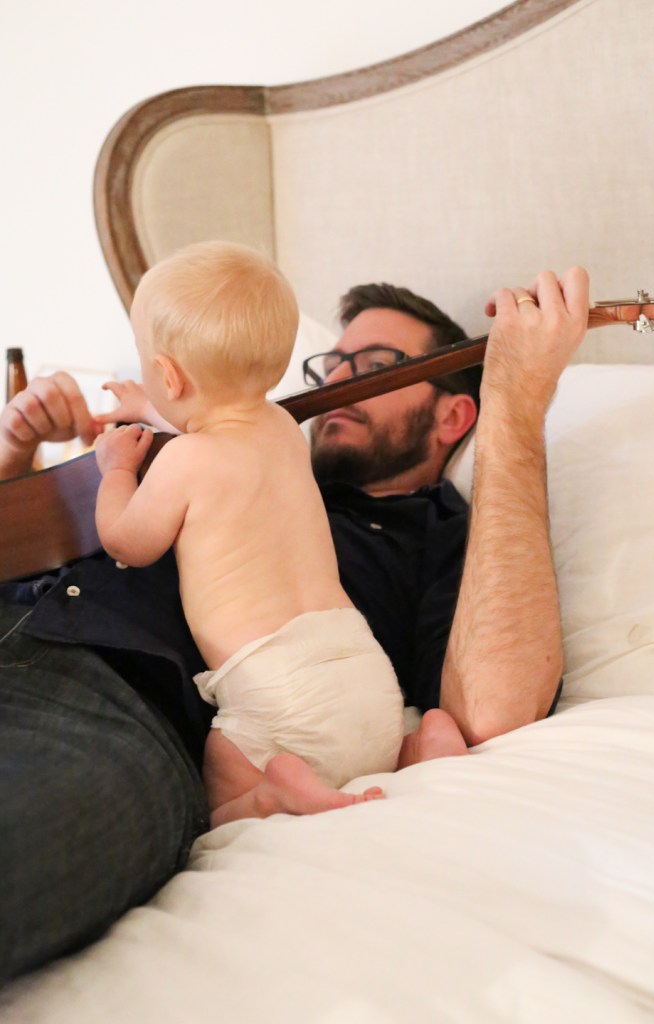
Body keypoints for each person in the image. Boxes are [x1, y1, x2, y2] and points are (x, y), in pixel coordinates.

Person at [0, 263, 589, 983]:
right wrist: (19, 449)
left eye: (373, 364)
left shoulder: (434, 532)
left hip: (115, 703)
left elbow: (497, 705)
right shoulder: (264, 439)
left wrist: (515, 402)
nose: (339, 377)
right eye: (330, 362)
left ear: (453, 418)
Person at [93, 240, 442, 826]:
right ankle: (420, 744)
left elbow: (126, 542)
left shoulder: (180, 463)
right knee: (367, 743)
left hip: (276, 690)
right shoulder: (282, 429)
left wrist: (116, 471)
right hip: (363, 670)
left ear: (168, 377)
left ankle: (268, 795)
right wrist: (152, 410)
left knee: (220, 790)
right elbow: (217, 424)